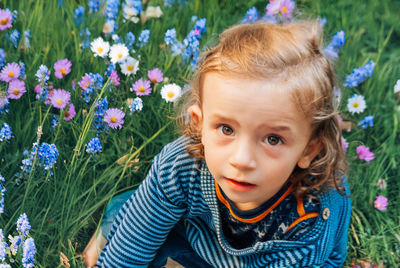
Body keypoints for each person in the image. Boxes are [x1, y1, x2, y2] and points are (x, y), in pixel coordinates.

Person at [83, 20, 352, 267]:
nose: (242, 160)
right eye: (226, 129)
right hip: (202, 240)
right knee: (130, 220)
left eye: (273, 139)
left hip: (275, 260)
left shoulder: (310, 218)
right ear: (199, 124)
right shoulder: (181, 165)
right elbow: (128, 251)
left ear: (308, 150)